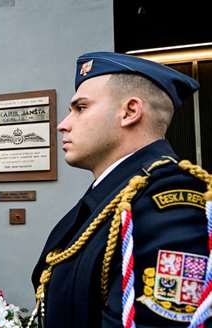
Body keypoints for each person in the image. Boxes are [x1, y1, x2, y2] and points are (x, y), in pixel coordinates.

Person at [31, 52, 212, 327]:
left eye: (81, 108)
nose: (62, 124)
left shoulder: (170, 199)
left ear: (130, 112)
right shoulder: (115, 194)